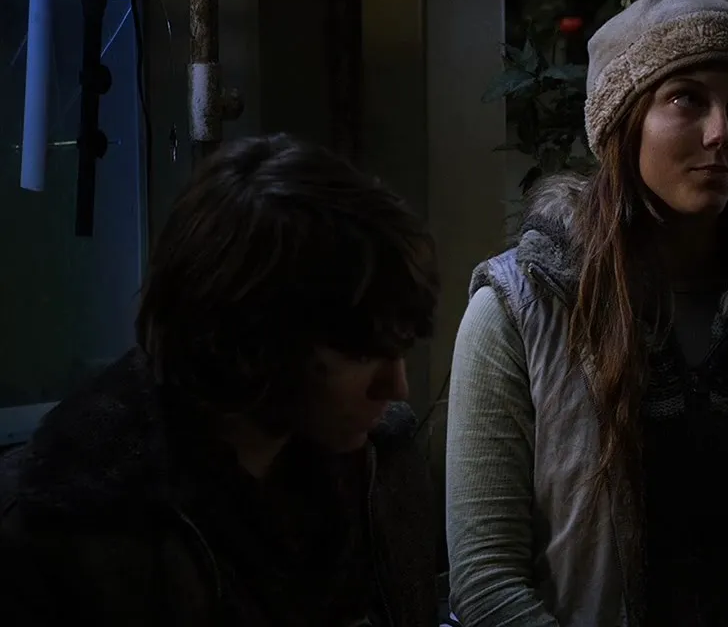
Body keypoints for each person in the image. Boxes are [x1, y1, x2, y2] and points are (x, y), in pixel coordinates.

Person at [444, 0, 728, 627]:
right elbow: (486, 582)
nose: (722, 133)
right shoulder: (520, 309)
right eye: (687, 99)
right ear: (623, 120)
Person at [0, 134, 443, 626]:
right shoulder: (66, 524)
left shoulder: (381, 459)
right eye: (360, 354)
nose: (397, 387)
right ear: (254, 338)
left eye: (399, 349)